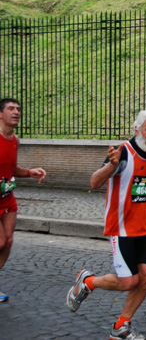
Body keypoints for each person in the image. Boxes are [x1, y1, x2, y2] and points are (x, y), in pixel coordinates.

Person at [66, 110, 146, 340]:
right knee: (130, 281)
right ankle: (88, 281)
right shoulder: (123, 153)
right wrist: (111, 165)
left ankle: (121, 325)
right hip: (122, 228)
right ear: (136, 129)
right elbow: (94, 182)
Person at [0, 98, 46, 302]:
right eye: (11, 108)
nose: (16, 112)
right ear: (0, 114)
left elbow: (11, 168)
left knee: (8, 241)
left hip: (8, 198)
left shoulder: (15, 140)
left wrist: (29, 172)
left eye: (18, 109)